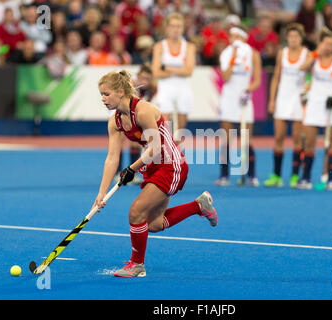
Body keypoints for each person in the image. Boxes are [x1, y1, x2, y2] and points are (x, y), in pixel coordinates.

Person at [94, 70, 217, 277]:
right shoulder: (114, 122)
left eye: (106, 94)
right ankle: (199, 206)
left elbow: (156, 147)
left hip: (171, 165)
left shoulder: (143, 111)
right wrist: (101, 193)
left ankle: (137, 265)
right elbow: (112, 158)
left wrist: (132, 168)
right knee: (154, 224)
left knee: (136, 212)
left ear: (121, 92)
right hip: (153, 167)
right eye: (101, 94)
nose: (103, 99)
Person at [296, 27, 332, 190]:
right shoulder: (314, 58)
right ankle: (306, 178)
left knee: (331, 143)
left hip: (329, 105)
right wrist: (316, 53)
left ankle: (330, 179)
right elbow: (302, 67)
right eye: (326, 44)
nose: (328, 47)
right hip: (314, 104)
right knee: (309, 143)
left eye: (331, 44)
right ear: (321, 44)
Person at [216, 26, 262, 187]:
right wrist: (233, 57)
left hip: (244, 99)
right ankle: (224, 175)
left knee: (246, 139)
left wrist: (248, 90)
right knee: (226, 138)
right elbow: (225, 76)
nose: (233, 39)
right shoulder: (226, 54)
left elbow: (257, 80)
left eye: (237, 36)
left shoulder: (253, 54)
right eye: (231, 36)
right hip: (228, 98)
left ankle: (251, 175)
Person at [264, 23, 309, 188]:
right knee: (279, 138)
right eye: (290, 37)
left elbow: (313, 73)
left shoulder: (306, 54)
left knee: (298, 140)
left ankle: (295, 176)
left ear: (301, 38)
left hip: (297, 100)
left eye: (296, 37)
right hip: (283, 98)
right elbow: (276, 77)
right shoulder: (282, 53)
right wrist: (272, 100)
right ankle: (276, 175)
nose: (293, 40)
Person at [151, 12, 196, 141]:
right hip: (165, 88)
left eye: (179, 26)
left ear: (182, 28)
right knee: (164, 126)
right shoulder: (159, 46)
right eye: (172, 26)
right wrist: (179, 70)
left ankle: (178, 157)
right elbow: (156, 72)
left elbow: (189, 71)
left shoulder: (189, 47)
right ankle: (165, 156)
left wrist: (167, 67)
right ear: (167, 28)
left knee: (181, 130)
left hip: (183, 88)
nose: (175, 29)